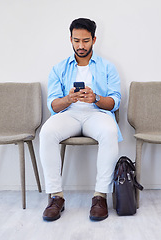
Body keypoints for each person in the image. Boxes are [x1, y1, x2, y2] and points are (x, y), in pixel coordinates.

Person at [39, 18, 122, 222]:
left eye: (85, 41)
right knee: (47, 132)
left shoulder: (108, 67)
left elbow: (115, 102)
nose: (81, 46)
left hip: (97, 113)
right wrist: (68, 99)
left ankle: (100, 196)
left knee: (110, 132)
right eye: (76, 40)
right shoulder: (59, 68)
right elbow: (52, 105)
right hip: (68, 114)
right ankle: (56, 197)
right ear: (70, 39)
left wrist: (96, 98)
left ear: (94, 39)